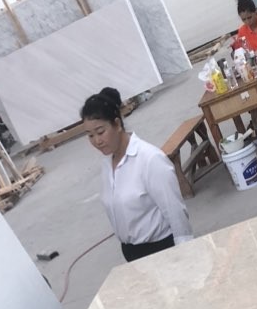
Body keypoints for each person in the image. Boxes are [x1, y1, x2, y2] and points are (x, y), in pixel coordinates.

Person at [80, 87, 192, 264]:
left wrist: (186, 254)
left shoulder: (150, 160)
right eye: (90, 136)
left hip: (161, 249)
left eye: (100, 132)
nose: (97, 141)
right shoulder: (108, 164)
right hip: (131, 252)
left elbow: (176, 213)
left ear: (117, 124)